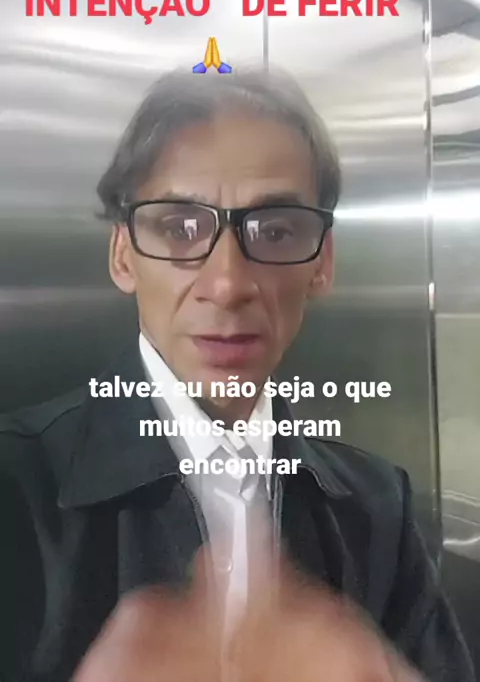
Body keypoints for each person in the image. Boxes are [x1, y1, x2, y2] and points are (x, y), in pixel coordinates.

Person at [0, 68, 474, 682]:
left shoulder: (380, 508)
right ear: (123, 255)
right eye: (179, 228)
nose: (227, 284)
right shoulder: (16, 490)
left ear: (322, 262)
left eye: (275, 231)